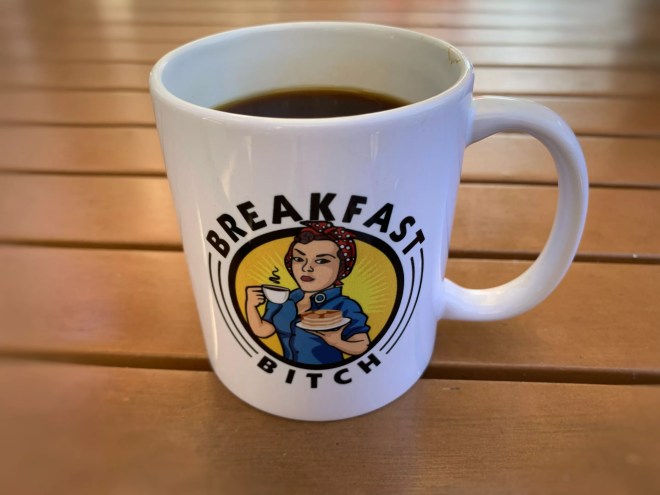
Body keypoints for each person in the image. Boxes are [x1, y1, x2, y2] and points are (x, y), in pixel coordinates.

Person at [246, 221, 370, 366]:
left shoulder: (344, 306)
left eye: (321, 261)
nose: (306, 268)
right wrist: (251, 305)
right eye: (298, 259)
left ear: (341, 268)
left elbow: (362, 345)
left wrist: (337, 342)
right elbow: (263, 330)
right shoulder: (283, 300)